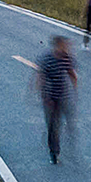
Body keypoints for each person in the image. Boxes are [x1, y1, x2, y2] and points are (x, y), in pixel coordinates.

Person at [36, 35, 78, 163]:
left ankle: (59, 140)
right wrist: (42, 94)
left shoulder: (66, 58)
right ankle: (53, 151)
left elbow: (71, 73)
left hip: (62, 96)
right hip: (49, 97)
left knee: (59, 122)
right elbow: (41, 77)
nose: (66, 48)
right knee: (52, 125)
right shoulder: (47, 59)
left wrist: (75, 89)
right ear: (57, 46)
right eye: (63, 45)